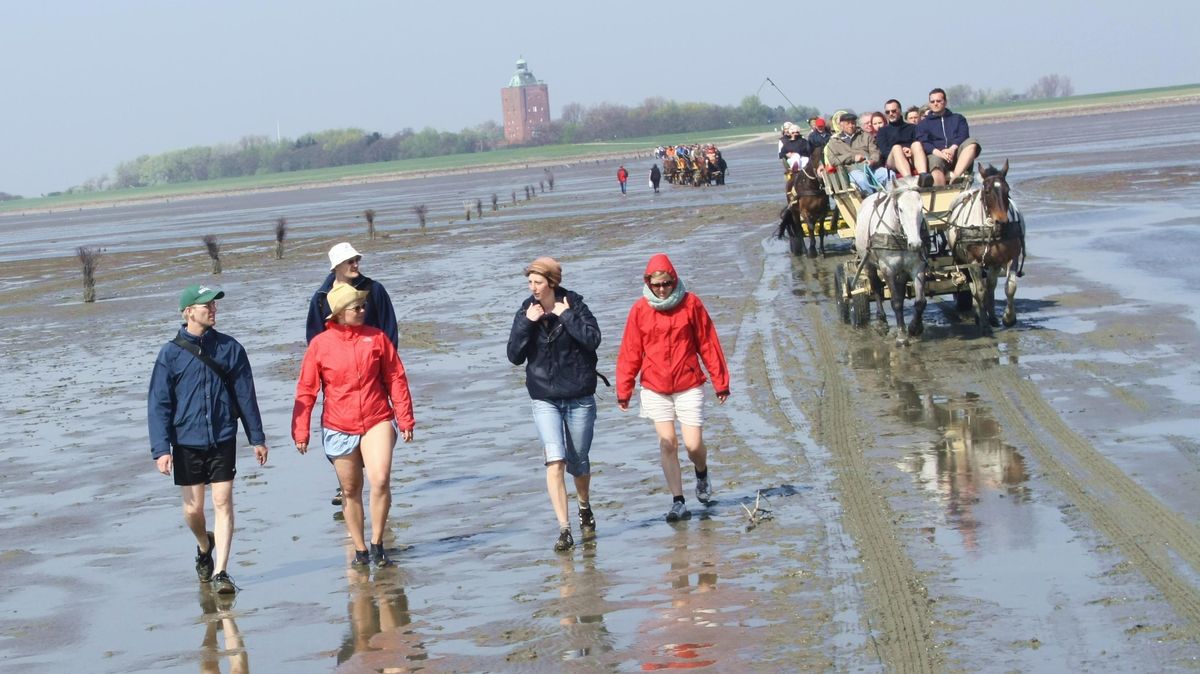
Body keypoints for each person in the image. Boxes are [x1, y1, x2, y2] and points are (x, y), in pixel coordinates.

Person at [148, 284, 268, 595]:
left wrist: (257, 437)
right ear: (188, 311)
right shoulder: (169, 354)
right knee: (193, 511)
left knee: (223, 501)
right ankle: (205, 545)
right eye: (206, 306)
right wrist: (161, 449)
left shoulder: (231, 349)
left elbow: (245, 396)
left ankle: (221, 572)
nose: (212, 310)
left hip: (223, 436)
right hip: (187, 440)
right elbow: (159, 403)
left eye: (214, 305)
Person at [293, 283, 416, 568]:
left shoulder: (377, 339)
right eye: (356, 307)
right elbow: (306, 390)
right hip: (338, 424)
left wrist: (404, 417)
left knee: (380, 479)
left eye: (363, 306)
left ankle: (377, 543)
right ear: (338, 313)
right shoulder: (320, 346)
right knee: (350, 490)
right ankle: (360, 549)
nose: (363, 311)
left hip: (377, 419)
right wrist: (301, 431)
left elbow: (396, 377)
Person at [616, 254, 730, 523]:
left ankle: (701, 472)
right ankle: (678, 501)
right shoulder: (640, 310)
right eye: (656, 285)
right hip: (655, 387)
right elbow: (630, 351)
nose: (662, 289)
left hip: (688, 383)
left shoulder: (691, 304)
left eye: (666, 283)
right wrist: (625, 389)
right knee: (668, 443)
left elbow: (708, 343)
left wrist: (720, 382)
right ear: (648, 283)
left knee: (692, 445)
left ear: (674, 280)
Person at [506, 257, 603, 552]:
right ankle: (564, 528)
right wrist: (527, 323)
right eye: (530, 283)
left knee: (579, 460)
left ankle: (584, 505)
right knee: (555, 460)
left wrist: (568, 317)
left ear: (552, 282)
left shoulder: (575, 305)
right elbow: (513, 355)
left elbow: (593, 339)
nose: (533, 288)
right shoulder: (526, 311)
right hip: (544, 397)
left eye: (538, 282)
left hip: (579, 396)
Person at [307, 242, 398, 507]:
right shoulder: (321, 297)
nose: (355, 264)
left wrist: (385, 367)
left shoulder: (374, 290)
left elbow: (389, 329)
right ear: (336, 266)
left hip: (372, 373)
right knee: (337, 429)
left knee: (375, 431)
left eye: (357, 259)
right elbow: (314, 338)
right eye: (350, 261)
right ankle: (346, 483)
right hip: (337, 378)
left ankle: (374, 486)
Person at [912, 87, 982, 186]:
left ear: (945, 102)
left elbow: (963, 135)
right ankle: (941, 193)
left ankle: (956, 178)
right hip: (936, 155)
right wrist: (940, 153)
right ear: (929, 104)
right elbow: (924, 142)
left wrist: (952, 149)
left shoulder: (958, 118)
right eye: (932, 101)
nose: (935, 103)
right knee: (935, 166)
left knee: (972, 143)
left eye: (938, 101)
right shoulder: (923, 124)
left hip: (956, 153)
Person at [825, 112, 890, 195]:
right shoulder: (834, 142)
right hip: (851, 171)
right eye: (848, 123)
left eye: (853, 123)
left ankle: (892, 200)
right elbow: (832, 160)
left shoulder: (866, 136)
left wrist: (872, 161)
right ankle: (872, 201)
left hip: (870, 168)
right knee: (861, 179)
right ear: (841, 125)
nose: (851, 126)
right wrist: (852, 157)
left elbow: (875, 152)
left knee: (888, 174)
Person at [876, 99, 919, 177]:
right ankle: (908, 178)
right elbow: (884, 151)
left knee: (917, 144)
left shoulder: (912, 128)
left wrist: (910, 150)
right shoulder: (882, 131)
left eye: (893, 111)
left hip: (911, 157)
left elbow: (918, 142)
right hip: (892, 161)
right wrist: (902, 151)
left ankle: (923, 175)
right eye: (887, 112)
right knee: (896, 148)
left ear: (900, 111)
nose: (891, 114)